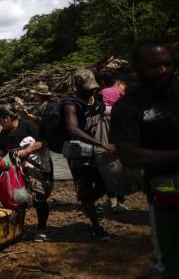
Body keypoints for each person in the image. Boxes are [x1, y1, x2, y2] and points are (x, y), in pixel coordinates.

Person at [111, 41, 179, 277]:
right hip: (166, 189)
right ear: (136, 69)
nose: (163, 70)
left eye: (167, 64)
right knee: (170, 261)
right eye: (154, 66)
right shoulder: (127, 107)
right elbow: (129, 155)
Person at [61, 69, 115, 240]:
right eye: (87, 88)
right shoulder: (71, 103)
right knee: (85, 188)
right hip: (78, 153)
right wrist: (101, 143)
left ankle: (87, 203)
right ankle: (96, 226)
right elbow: (73, 129)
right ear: (78, 86)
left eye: (93, 87)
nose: (91, 90)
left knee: (105, 184)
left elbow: (106, 115)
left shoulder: (97, 98)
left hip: (96, 149)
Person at [0, 106, 53, 242]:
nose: (0, 124)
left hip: (37, 167)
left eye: (0, 121)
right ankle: (19, 228)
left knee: (39, 197)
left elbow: (44, 141)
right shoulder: (4, 133)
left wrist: (26, 151)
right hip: (16, 170)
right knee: (18, 197)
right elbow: (3, 151)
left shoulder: (29, 126)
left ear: (7, 119)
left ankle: (41, 229)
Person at [97, 71, 129, 213]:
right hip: (121, 125)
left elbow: (97, 110)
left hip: (105, 126)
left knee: (106, 161)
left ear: (102, 82)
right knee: (120, 161)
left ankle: (112, 200)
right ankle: (121, 198)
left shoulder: (100, 93)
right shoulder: (120, 91)